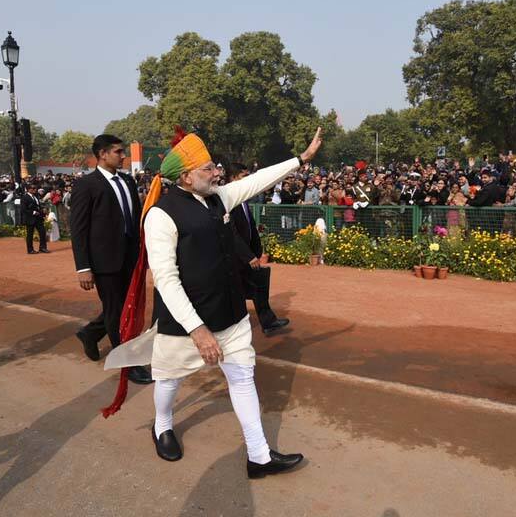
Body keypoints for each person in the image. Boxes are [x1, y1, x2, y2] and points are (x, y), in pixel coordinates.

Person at [107, 127, 322, 478]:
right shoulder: (161, 215)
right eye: (208, 168)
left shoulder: (218, 197)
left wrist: (301, 159)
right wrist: (198, 330)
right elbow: (166, 280)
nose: (216, 172)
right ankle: (162, 426)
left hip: (231, 314)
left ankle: (259, 457)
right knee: (171, 379)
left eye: (214, 167)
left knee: (242, 378)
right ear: (187, 177)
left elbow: (257, 181)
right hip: (184, 324)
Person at [69, 135, 152, 385]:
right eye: (118, 152)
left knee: (123, 306)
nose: (123, 155)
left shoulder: (127, 180)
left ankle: (90, 333)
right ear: (102, 154)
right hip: (104, 262)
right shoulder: (87, 185)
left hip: (130, 257)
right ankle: (127, 363)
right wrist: (83, 267)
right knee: (117, 311)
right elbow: (78, 229)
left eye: (123, 151)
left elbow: (135, 218)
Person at [227, 162, 290, 335]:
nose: (247, 180)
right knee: (233, 293)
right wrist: (248, 256)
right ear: (233, 178)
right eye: (243, 176)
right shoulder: (229, 200)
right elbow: (232, 234)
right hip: (235, 258)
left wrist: (257, 250)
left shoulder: (243, 199)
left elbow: (250, 225)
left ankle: (268, 322)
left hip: (247, 255)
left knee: (260, 283)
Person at [20, 183, 49, 254]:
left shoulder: (36, 196)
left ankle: (42, 248)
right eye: (33, 188)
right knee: (30, 234)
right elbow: (23, 209)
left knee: (42, 232)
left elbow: (37, 206)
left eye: (35, 188)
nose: (35, 190)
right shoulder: (24, 197)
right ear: (28, 189)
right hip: (30, 219)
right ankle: (30, 250)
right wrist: (33, 212)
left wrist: (42, 211)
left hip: (38, 218)